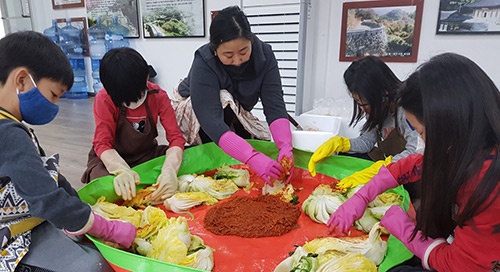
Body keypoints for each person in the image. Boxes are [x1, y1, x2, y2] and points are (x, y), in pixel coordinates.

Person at [327, 53, 500, 271]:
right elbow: (411, 165)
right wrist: (363, 196)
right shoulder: (466, 148)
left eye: (422, 132)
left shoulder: (488, 185)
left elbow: (460, 264)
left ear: (451, 122)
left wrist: (406, 230)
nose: (423, 142)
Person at [0, 31, 135, 272]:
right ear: (22, 80)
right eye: (53, 95)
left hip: (27, 217)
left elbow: (49, 178)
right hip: (9, 238)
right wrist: (106, 227)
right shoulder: (8, 133)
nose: (54, 107)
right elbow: (46, 199)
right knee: (94, 265)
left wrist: (83, 210)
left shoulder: (11, 124)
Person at [173, 6, 293, 184]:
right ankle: (218, 157)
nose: (237, 61)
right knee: (224, 99)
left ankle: (237, 150)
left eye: (243, 51)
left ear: (251, 41)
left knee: (238, 122)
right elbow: (210, 120)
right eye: (228, 54)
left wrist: (285, 147)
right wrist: (251, 156)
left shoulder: (265, 55)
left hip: (236, 107)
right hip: (196, 109)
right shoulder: (204, 61)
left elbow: (274, 105)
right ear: (215, 50)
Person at [81, 47, 186, 202]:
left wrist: (170, 169)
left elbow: (176, 138)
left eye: (139, 93)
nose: (134, 102)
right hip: (111, 159)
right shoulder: (104, 99)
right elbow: (102, 144)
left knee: (184, 161)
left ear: (146, 76)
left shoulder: (158, 96)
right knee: (106, 186)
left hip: (146, 154)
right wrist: (121, 170)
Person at [308, 56, 419, 191]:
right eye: (358, 103)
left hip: (407, 169)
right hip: (384, 160)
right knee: (344, 156)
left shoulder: (405, 108)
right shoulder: (378, 106)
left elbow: (413, 152)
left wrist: (386, 167)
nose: (361, 108)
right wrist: (342, 144)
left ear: (381, 93)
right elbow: (367, 141)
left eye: (364, 103)